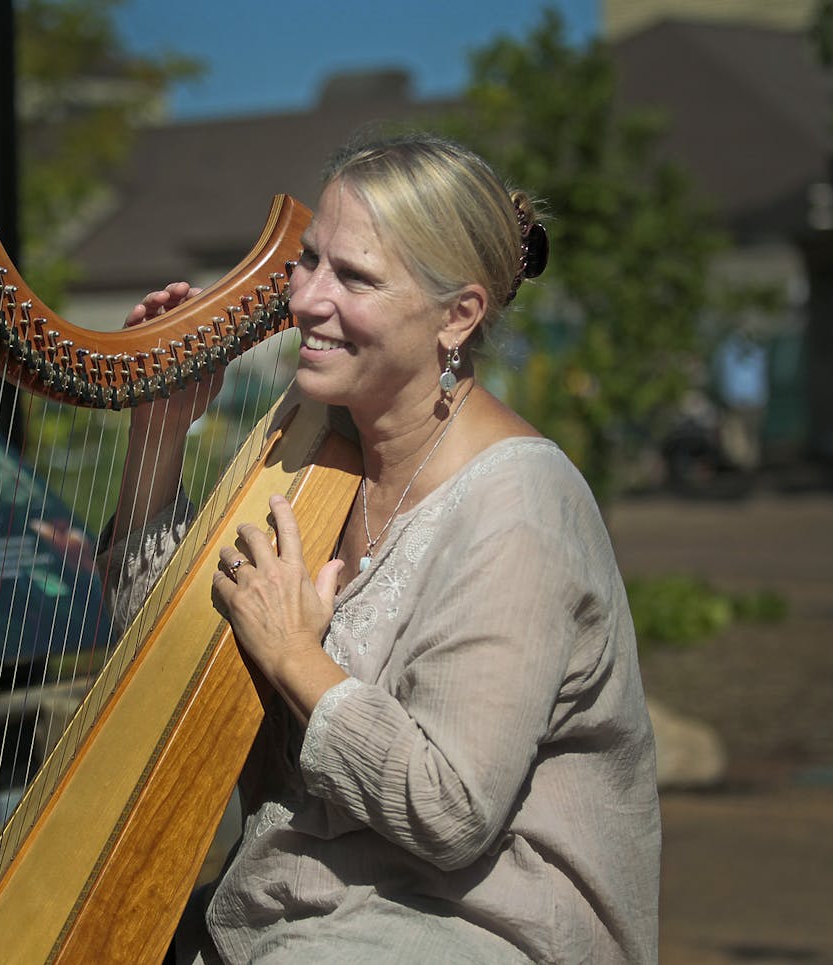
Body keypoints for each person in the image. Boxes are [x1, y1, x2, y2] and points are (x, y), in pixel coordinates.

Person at [98, 133, 661, 964]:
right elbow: (174, 648)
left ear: (457, 315)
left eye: (354, 277)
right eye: (309, 260)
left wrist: (294, 653)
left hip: (482, 923)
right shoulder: (318, 436)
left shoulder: (520, 505)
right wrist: (158, 436)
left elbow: (449, 810)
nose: (306, 300)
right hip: (306, 902)